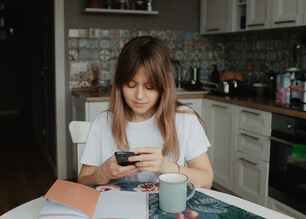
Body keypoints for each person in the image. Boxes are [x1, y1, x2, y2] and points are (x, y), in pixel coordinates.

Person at [78, 36, 213, 188]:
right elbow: (83, 181)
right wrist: (102, 173)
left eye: (149, 87)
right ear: (120, 85)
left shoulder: (184, 119)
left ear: (163, 86)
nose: (139, 95)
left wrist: (167, 167)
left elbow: (207, 180)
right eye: (131, 85)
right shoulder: (103, 122)